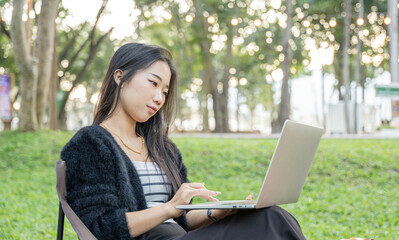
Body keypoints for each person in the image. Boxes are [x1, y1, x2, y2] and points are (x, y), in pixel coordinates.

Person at [61, 43, 306, 240]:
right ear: (120, 77)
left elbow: (182, 219)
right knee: (270, 221)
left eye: (165, 92)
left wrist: (216, 213)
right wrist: (169, 207)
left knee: (269, 213)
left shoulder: (163, 148)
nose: (159, 98)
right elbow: (102, 227)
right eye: (153, 83)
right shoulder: (90, 144)